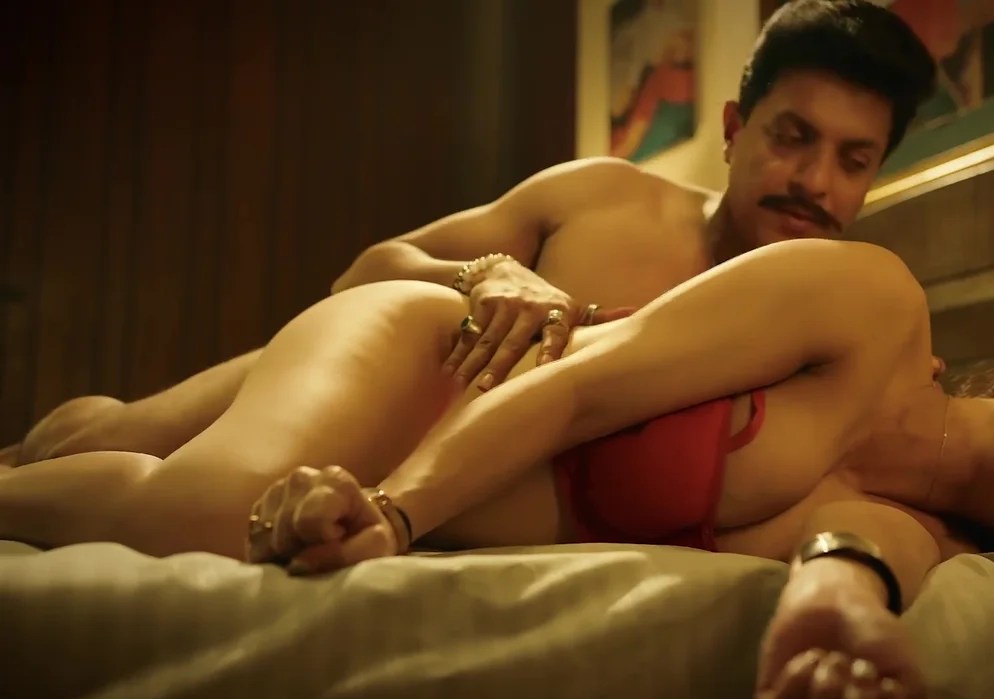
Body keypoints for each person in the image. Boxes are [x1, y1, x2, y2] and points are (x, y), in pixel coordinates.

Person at [2, 239, 994, 699]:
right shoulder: (871, 303)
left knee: (142, 461)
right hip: (444, 366)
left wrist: (833, 618)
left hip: (409, 480)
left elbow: (851, 571)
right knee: (201, 516)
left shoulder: (913, 535)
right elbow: (584, 390)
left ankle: (87, 430)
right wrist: (393, 514)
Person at [7, 0, 941, 467]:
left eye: (853, 159)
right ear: (735, 129)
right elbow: (361, 275)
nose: (815, 181)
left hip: (403, 484)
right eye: (792, 137)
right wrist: (488, 273)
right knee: (103, 441)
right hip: (322, 393)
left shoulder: (844, 335)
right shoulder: (602, 197)